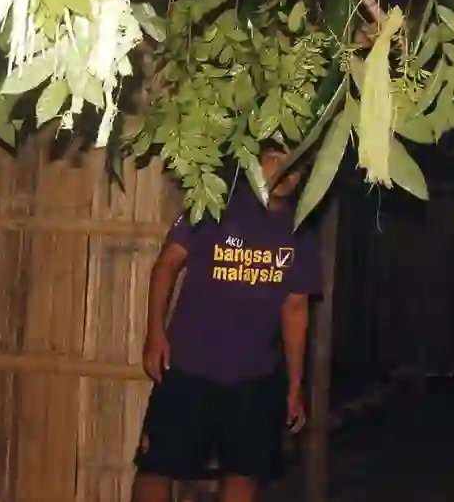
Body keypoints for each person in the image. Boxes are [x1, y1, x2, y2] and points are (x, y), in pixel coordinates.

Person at [133, 146, 324, 502]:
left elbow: (296, 310)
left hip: (254, 376)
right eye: (275, 157)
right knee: (158, 467)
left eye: (296, 163)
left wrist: (294, 385)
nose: (286, 169)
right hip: (188, 366)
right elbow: (167, 264)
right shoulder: (214, 206)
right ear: (253, 160)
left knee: (244, 473)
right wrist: (154, 335)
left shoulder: (301, 231)